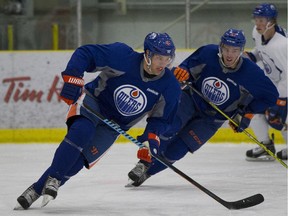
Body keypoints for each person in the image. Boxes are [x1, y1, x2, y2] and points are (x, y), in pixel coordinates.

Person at [14, 32, 182, 210]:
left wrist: (152, 138)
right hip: (93, 104)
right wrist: (73, 78)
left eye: (167, 59)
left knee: (79, 162)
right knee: (82, 132)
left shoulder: (170, 86)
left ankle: (36, 189)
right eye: (159, 58)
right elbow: (85, 53)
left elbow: (161, 119)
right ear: (147, 54)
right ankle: (54, 177)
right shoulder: (122, 56)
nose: (163, 64)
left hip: (115, 126)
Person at [126, 28, 279, 187]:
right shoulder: (207, 53)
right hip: (191, 99)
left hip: (213, 119)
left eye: (234, 50)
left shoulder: (251, 72)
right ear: (220, 46)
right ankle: (142, 164)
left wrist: (246, 113)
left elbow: (270, 96)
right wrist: (183, 73)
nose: (229, 54)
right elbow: (187, 68)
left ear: (241, 51)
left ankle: (147, 173)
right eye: (226, 48)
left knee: (178, 149)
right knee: (167, 129)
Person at [244, 3, 287, 161]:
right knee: (255, 108)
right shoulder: (257, 32)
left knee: (282, 118)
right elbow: (261, 49)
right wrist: (252, 56)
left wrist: (281, 100)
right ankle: (265, 146)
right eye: (256, 19)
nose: (258, 23)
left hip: (284, 84)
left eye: (262, 19)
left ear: (272, 21)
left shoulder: (282, 45)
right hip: (273, 82)